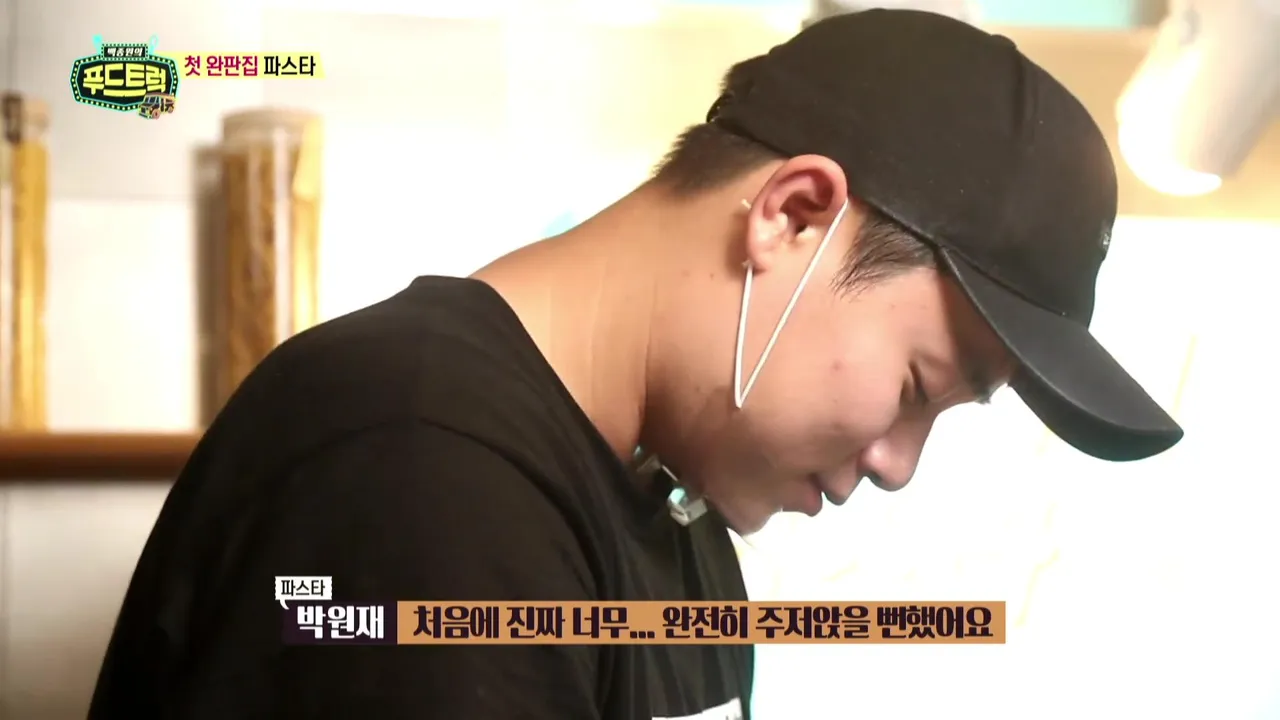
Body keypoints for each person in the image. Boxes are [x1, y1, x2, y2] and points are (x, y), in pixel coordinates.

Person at [87, 9, 1183, 720]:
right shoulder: (416, 470)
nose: (899, 465)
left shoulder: (672, 505)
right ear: (793, 217)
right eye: (914, 389)